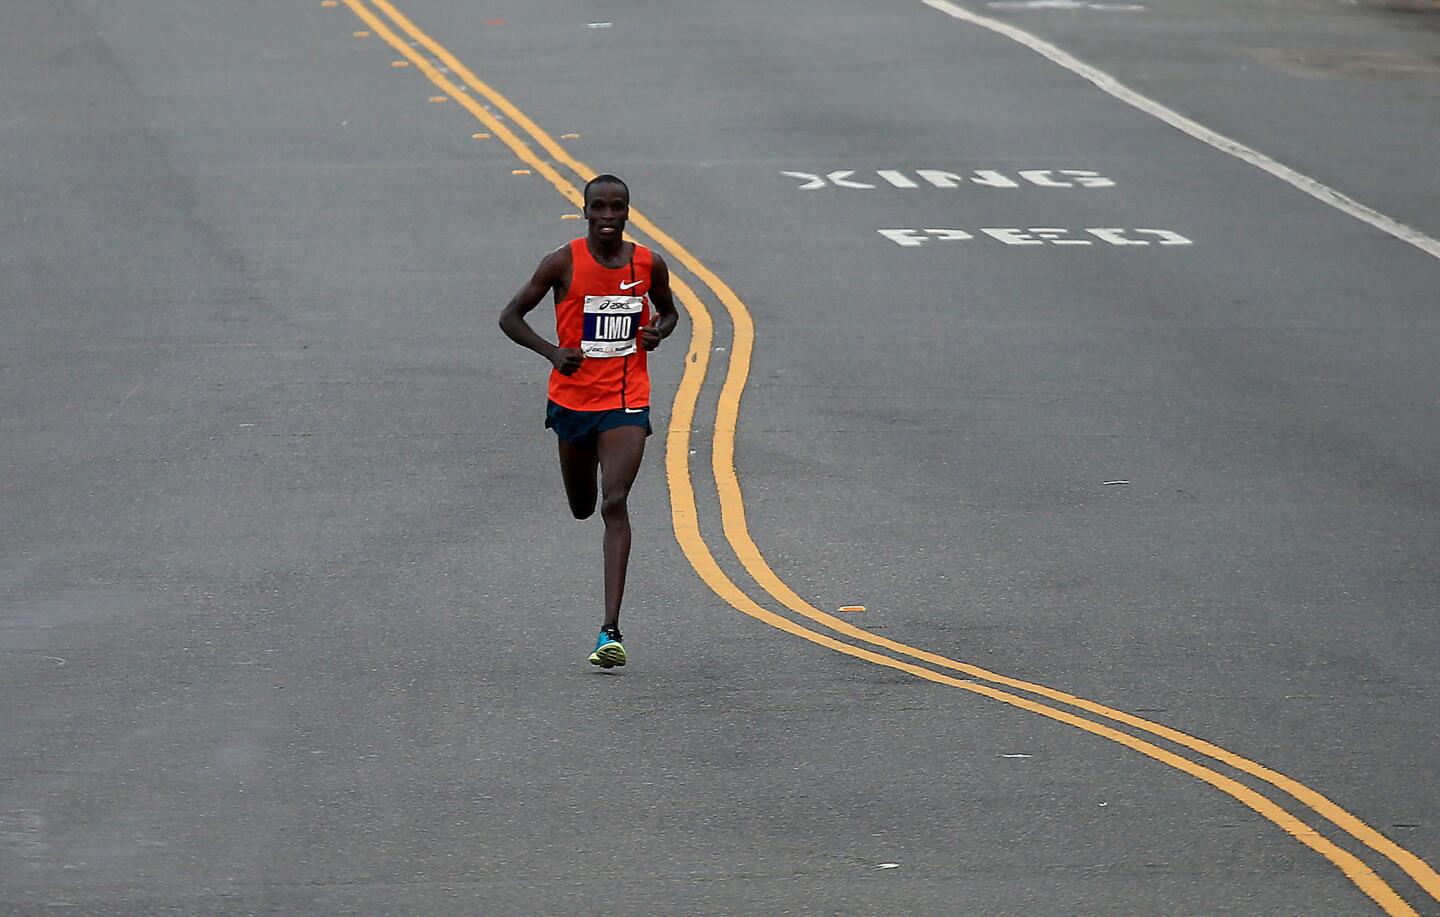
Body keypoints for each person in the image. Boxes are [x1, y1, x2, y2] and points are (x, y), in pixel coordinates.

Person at [499, 174, 679, 668]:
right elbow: (510, 317)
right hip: (573, 404)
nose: (606, 216)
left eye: (615, 207)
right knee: (581, 506)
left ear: (627, 212)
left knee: (614, 500)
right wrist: (553, 353)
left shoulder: (647, 263)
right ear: (584, 212)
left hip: (625, 401)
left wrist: (656, 333)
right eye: (597, 207)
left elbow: (669, 313)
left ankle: (610, 630)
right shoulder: (563, 262)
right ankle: (608, 622)